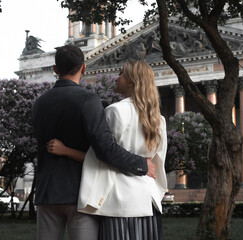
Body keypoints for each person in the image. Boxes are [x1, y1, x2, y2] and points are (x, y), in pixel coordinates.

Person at [32, 46, 156, 240]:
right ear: (83, 68)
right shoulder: (88, 100)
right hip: (81, 192)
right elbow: (105, 148)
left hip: (47, 193)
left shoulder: (39, 103)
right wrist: (141, 164)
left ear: (55, 70)